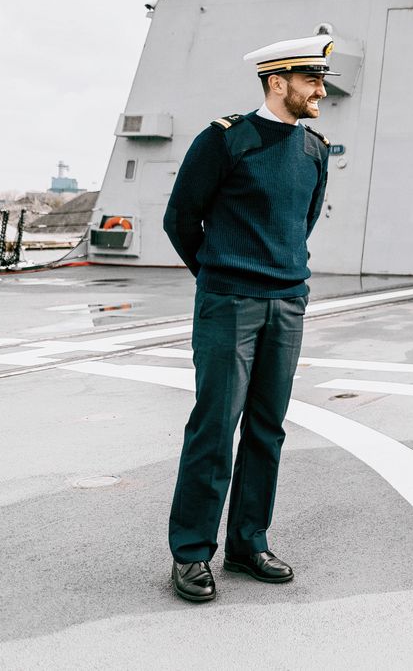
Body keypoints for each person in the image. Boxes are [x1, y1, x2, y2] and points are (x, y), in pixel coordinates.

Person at [162, 30, 335, 602]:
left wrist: (277, 275)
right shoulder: (225, 141)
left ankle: (248, 544)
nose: (321, 91)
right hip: (229, 301)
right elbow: (181, 219)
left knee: (267, 428)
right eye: (312, 80)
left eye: (321, 81)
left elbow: (299, 225)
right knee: (214, 427)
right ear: (277, 81)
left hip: (288, 301)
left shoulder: (314, 149)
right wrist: (219, 274)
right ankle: (190, 553)